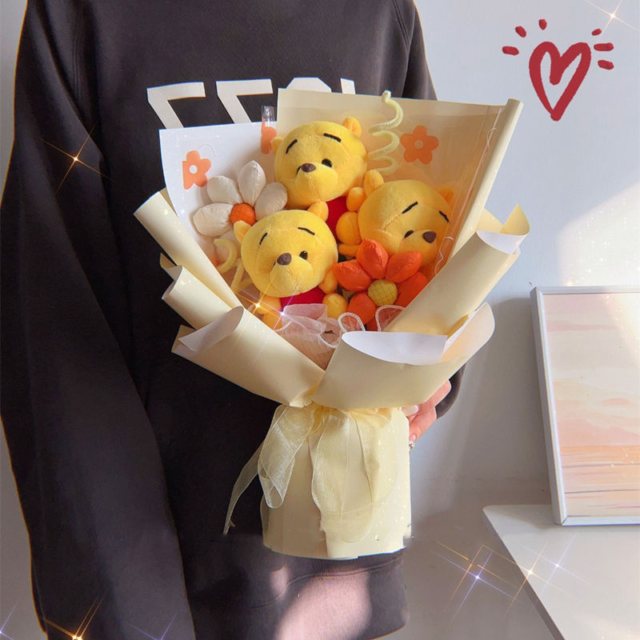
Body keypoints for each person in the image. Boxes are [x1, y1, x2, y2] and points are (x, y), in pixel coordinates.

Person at [1, 0, 460, 638]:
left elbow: (428, 226)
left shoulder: (378, 13)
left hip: (341, 561)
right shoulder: (84, 16)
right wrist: (126, 610)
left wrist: (428, 372)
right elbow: (57, 334)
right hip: (167, 579)